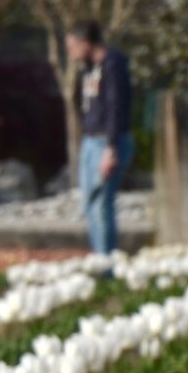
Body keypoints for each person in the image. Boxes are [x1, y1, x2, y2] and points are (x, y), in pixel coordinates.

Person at [70, 20, 133, 258]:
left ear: (86, 43)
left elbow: (116, 107)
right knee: (90, 205)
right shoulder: (89, 68)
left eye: (73, 47)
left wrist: (111, 148)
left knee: (101, 206)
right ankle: (99, 256)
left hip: (106, 144)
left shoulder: (113, 66)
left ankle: (106, 264)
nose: (71, 53)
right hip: (90, 141)